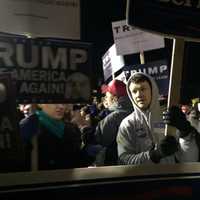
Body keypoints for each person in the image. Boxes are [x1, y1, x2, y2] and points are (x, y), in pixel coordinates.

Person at [117, 72, 199, 165]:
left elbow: (190, 160)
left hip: (171, 177)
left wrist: (185, 133)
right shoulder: (127, 124)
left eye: (143, 89)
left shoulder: (169, 118)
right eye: (134, 91)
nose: (139, 94)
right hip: (142, 178)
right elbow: (123, 161)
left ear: (152, 90)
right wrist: (154, 155)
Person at [20, 104, 83, 170]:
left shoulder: (70, 129)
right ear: (40, 104)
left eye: (63, 103)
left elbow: (76, 162)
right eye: (54, 102)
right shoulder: (29, 125)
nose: (61, 107)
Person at [93, 79, 133, 166]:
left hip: (116, 165)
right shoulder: (139, 111)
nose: (106, 99)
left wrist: (87, 129)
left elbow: (100, 140)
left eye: (107, 96)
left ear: (115, 98)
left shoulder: (112, 118)